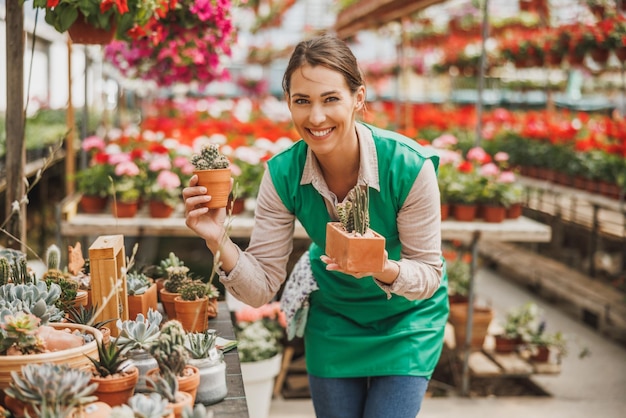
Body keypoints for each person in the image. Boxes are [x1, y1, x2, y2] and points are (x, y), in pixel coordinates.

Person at [183, 34, 449, 418]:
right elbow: (260, 290)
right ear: (288, 103)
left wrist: (380, 266)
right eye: (302, 101)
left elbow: (428, 274)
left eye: (331, 99)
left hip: (408, 320)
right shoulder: (282, 174)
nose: (316, 117)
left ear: (358, 98)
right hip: (335, 317)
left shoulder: (409, 168)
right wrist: (217, 238)